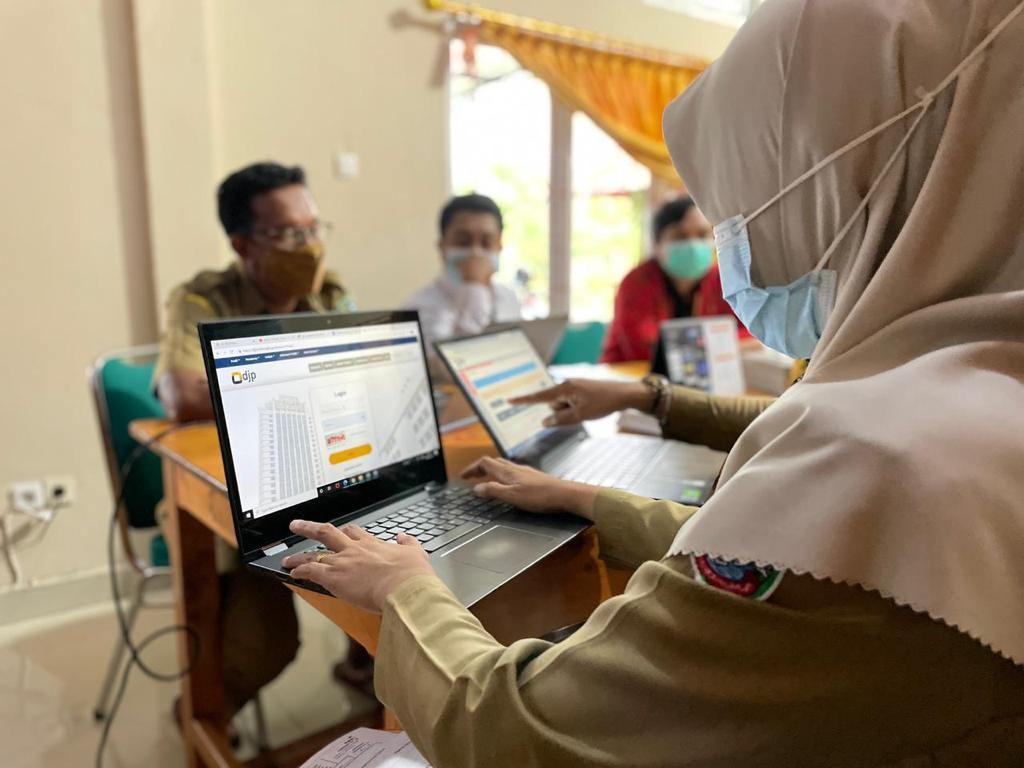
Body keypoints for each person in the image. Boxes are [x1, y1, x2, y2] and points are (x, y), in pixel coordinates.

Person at [280, 0, 1024, 764]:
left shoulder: (877, 457)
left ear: (829, 195)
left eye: (740, 216)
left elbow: (511, 733)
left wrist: (406, 588)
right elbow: (790, 556)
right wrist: (584, 499)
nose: (729, 251)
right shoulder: (978, 391)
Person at [153, 162, 366, 719]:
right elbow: (181, 393)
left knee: (406, 562)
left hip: (327, 472)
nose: (309, 246)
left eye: (314, 229)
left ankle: (368, 668)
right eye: (289, 234)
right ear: (242, 243)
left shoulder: (329, 292)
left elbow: (361, 377)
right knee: (263, 646)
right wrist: (310, 378)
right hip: (238, 492)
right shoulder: (203, 300)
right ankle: (203, 715)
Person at [601, 196, 746, 363]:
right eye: (680, 236)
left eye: (702, 235)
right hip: (632, 373)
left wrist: (696, 348)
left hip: (704, 374)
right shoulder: (636, 282)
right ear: (657, 244)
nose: (693, 244)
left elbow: (752, 333)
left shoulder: (723, 280)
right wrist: (718, 345)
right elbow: (643, 346)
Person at [405, 193, 520, 346]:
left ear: (499, 247)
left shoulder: (509, 298)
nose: (475, 252)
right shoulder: (420, 309)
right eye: (463, 242)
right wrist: (474, 286)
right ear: (442, 246)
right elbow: (465, 353)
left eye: (486, 242)